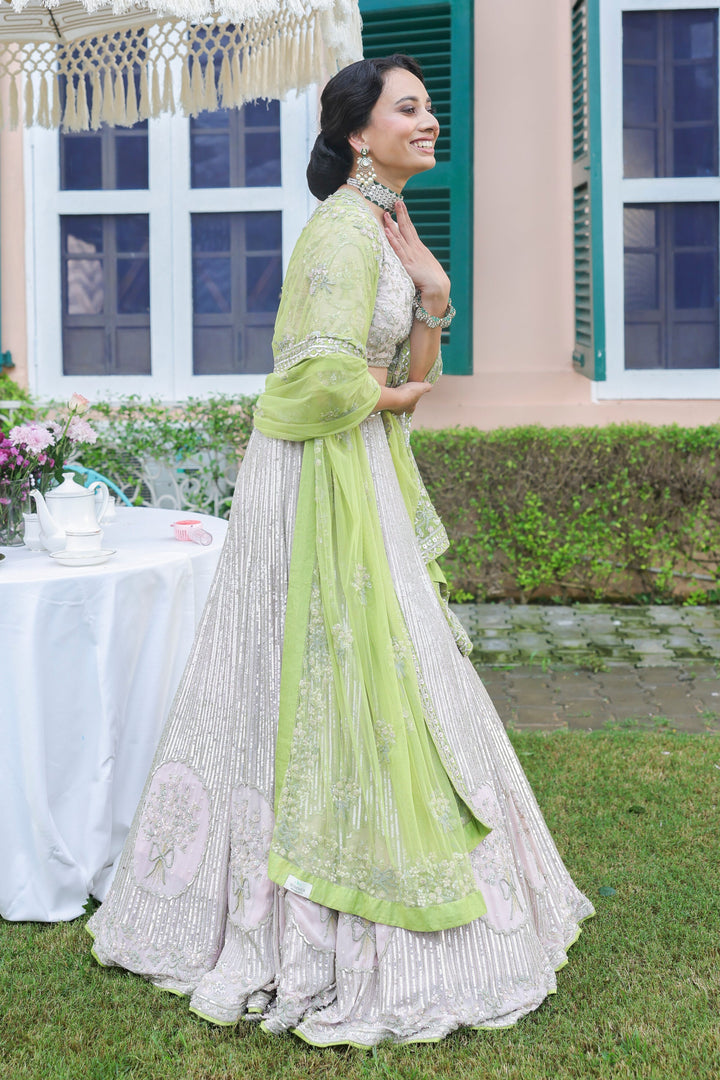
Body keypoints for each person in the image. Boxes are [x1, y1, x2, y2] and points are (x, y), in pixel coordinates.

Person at [87, 54, 594, 1047]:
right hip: (315, 481)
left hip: (353, 477)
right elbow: (307, 377)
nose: (430, 122)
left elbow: (407, 359)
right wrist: (389, 397)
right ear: (358, 132)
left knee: (396, 673)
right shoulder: (336, 232)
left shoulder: (381, 230)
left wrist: (434, 292)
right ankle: (302, 919)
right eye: (410, 109)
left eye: (431, 109)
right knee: (335, 680)